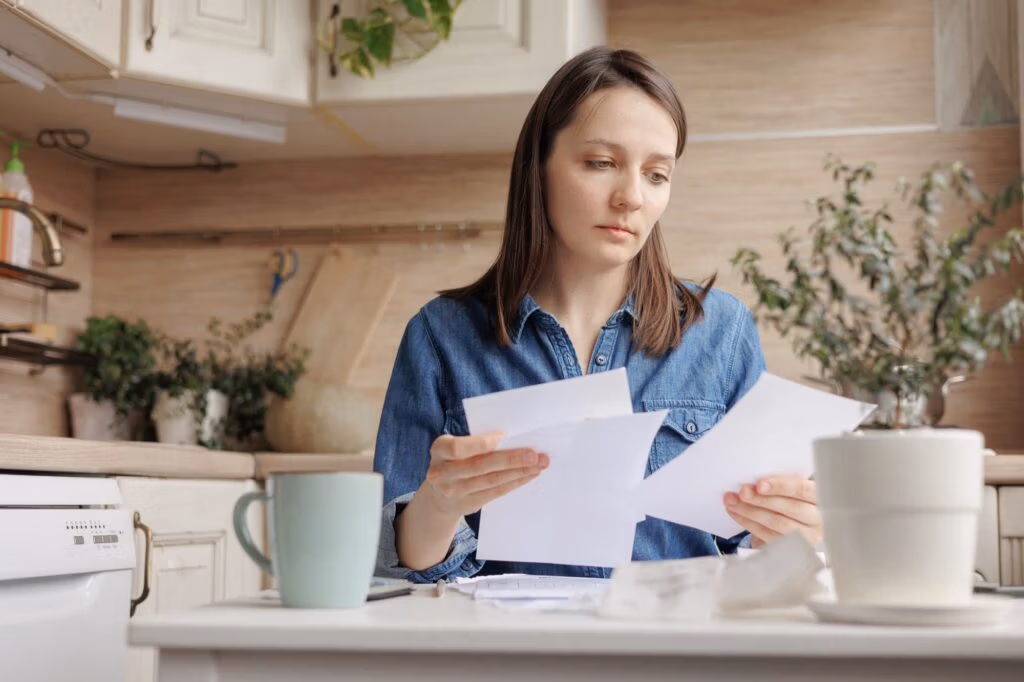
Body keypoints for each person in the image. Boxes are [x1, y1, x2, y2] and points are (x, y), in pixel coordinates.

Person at [373, 46, 821, 583]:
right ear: (539, 166)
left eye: (657, 174)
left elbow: (761, 557)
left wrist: (799, 532)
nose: (631, 197)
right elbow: (396, 573)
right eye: (601, 163)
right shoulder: (441, 335)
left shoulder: (720, 330)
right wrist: (439, 504)